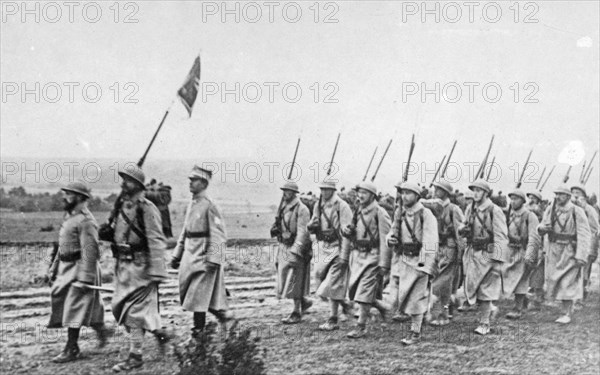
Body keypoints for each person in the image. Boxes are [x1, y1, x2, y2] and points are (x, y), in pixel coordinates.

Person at [108, 165, 170, 372]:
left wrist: (157, 271)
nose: (123, 183)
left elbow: (156, 239)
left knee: (134, 312)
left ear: (138, 185)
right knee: (123, 309)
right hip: (124, 266)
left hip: (141, 266)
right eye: (123, 179)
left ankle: (135, 356)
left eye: (127, 180)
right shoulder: (122, 206)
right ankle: (161, 334)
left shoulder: (147, 208)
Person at [170, 166, 236, 339]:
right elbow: (186, 230)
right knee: (194, 295)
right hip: (190, 256)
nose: (190, 183)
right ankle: (223, 315)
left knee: (197, 296)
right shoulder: (192, 203)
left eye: (194, 180)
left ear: (204, 183)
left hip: (203, 257)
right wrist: (177, 254)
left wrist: (214, 258)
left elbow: (219, 234)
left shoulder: (210, 205)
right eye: (190, 180)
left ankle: (199, 332)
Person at [47, 181, 106, 363]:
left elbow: (90, 251)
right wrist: (54, 267)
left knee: (74, 307)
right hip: (66, 268)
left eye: (69, 194)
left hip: (80, 267)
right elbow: (62, 246)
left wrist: (84, 278)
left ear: (80, 197)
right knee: (69, 304)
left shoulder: (86, 221)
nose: (64, 197)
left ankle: (72, 348)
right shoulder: (70, 217)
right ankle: (101, 329)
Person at [386, 181, 438, 345]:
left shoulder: (425, 213)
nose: (404, 196)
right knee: (403, 297)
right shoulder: (399, 213)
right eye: (403, 192)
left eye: (408, 193)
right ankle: (428, 309)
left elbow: (430, 240)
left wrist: (425, 264)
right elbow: (392, 231)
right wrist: (390, 239)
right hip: (404, 259)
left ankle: (415, 332)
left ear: (416, 196)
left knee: (416, 298)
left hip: (419, 260)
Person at [341, 181, 392, 339]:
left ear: (372, 195)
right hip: (358, 256)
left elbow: (386, 239)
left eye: (364, 192)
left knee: (363, 292)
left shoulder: (379, 212)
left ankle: (361, 326)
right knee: (355, 289)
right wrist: (347, 231)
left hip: (373, 256)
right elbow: (351, 232)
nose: (360, 195)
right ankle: (382, 308)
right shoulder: (358, 211)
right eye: (359, 192)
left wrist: (384, 263)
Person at [458, 179, 509, 335]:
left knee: (485, 290)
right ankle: (489, 311)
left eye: (479, 190)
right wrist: (463, 229)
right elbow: (463, 225)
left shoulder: (495, 210)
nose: (475, 193)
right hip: (473, 252)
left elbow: (501, 235)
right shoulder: (470, 208)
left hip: (488, 254)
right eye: (474, 190)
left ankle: (484, 323)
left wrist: (498, 259)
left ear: (486, 193)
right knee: (473, 286)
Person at [537, 185, 591, 324]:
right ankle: (562, 307)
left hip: (569, 250)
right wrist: (542, 228)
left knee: (568, 281)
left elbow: (584, 234)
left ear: (568, 196)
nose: (558, 197)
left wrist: (581, 255)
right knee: (554, 279)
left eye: (561, 194)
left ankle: (566, 312)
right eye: (556, 194)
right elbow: (542, 226)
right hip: (554, 249)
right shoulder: (551, 209)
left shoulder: (577, 211)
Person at [307, 180, 353, 331]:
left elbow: (347, 233)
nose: (324, 192)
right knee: (318, 277)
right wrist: (311, 226)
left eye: (327, 189)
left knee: (332, 284)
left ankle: (333, 319)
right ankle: (343, 303)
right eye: (322, 189)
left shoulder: (342, 206)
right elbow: (313, 224)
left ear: (333, 190)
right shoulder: (318, 205)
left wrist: (344, 256)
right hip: (324, 247)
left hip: (338, 247)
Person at [422, 180, 465, 326]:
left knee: (441, 282)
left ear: (445, 192)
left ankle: (441, 313)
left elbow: (461, 233)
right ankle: (447, 310)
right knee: (443, 282)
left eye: (438, 189)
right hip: (438, 247)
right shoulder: (434, 208)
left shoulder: (454, 209)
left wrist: (461, 254)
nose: (435, 191)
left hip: (450, 247)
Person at [270, 181, 313, 323]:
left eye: (287, 191)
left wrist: (296, 249)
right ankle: (303, 301)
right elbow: (280, 225)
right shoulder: (283, 207)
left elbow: (303, 231)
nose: (284, 193)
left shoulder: (302, 209)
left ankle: (296, 312)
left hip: (296, 247)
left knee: (295, 279)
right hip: (284, 245)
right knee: (283, 277)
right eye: (284, 190)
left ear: (294, 193)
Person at [501, 189, 541, 319]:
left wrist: (530, 255)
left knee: (521, 279)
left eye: (516, 199)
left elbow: (534, 238)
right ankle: (523, 301)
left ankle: (517, 308)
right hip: (510, 250)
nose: (513, 202)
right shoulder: (508, 214)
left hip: (522, 250)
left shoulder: (530, 216)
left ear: (523, 201)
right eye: (511, 199)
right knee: (508, 276)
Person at [570, 184, 599, 302]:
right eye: (573, 192)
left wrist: (590, 247)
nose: (575, 195)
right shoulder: (570, 208)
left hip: (587, 244)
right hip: (572, 244)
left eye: (578, 192)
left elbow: (595, 229)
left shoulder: (590, 209)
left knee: (584, 271)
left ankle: (581, 295)